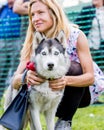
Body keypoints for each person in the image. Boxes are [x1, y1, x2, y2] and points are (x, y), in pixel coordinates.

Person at [11, 0, 104, 129]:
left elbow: (90, 77)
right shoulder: (34, 40)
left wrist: (65, 80)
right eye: (32, 15)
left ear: (53, 14)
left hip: (79, 94)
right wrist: (23, 78)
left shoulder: (76, 35)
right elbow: (15, 81)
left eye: (40, 13)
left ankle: (65, 122)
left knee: (72, 66)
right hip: (44, 97)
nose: (35, 18)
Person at [75, 0, 104, 104]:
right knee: (92, 71)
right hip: (90, 46)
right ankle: (93, 97)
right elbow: (77, 24)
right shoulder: (87, 9)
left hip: (102, 46)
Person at [0, 0, 21, 99]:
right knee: (1, 70)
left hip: (16, 40)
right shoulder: (3, 8)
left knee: (15, 70)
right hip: (2, 41)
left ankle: (12, 97)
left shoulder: (19, 8)